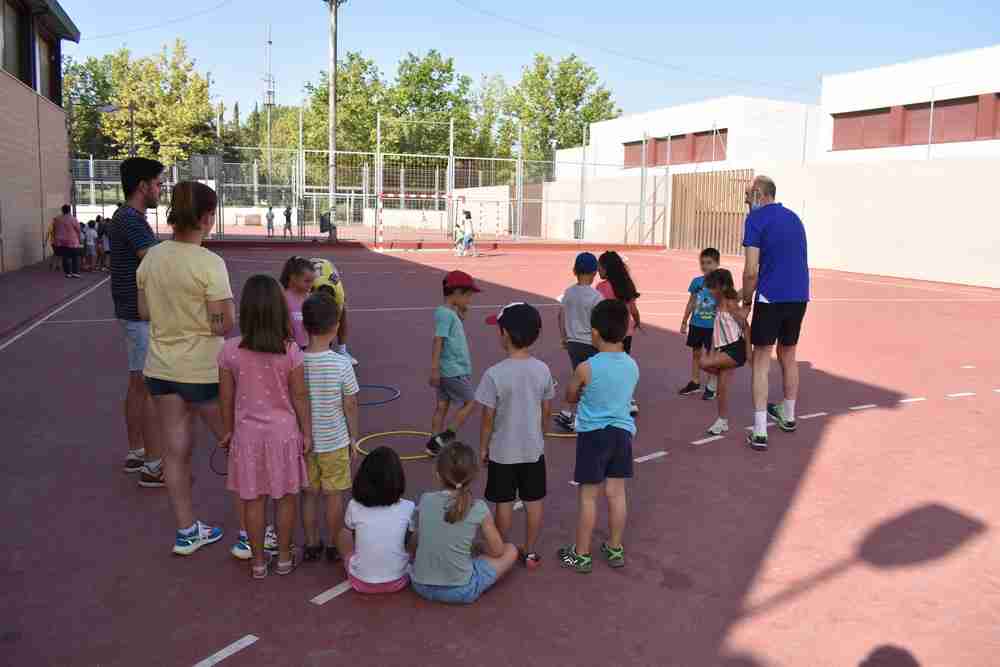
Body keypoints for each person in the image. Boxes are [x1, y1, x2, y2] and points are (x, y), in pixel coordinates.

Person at [136, 181, 236, 553]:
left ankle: (186, 530)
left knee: (174, 451)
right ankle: (251, 530)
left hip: (161, 367)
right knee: (235, 446)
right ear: (207, 217)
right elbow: (224, 323)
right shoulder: (209, 263)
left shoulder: (152, 259)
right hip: (203, 370)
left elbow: (145, 312)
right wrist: (204, 321)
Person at [218, 274, 312, 578]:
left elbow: (226, 398)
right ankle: (284, 557)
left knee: (252, 499)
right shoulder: (291, 351)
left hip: (247, 436)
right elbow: (299, 395)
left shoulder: (229, 351)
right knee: (285, 499)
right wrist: (306, 431)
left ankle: (258, 562)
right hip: (283, 435)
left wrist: (227, 430)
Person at [559, 299, 639, 574]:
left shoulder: (586, 367)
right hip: (622, 435)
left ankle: (580, 554)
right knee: (617, 494)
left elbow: (570, 395)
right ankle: (615, 548)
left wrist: (579, 391)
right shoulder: (632, 365)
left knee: (588, 497)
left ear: (594, 332)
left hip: (593, 436)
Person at [477, 302, 554, 568]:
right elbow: (546, 410)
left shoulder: (494, 374)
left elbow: (487, 419)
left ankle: (500, 549)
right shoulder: (543, 370)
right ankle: (530, 551)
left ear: (506, 334)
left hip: (503, 450)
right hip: (533, 449)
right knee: (534, 501)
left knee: (504, 502)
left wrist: (483, 448)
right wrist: (540, 437)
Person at [741, 175, 810, 452]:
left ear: (759, 194)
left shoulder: (755, 221)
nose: (746, 200)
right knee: (788, 354)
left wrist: (746, 302)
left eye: (748, 195)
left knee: (760, 359)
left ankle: (759, 431)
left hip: (771, 297)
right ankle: (789, 414)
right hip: (799, 295)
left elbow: (750, 270)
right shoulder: (794, 218)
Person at [109, 158, 165, 482]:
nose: (160, 190)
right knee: (148, 387)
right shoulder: (131, 219)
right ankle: (152, 465)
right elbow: (154, 261)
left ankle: (136, 451)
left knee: (137, 384)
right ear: (143, 186)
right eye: (157, 183)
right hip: (139, 314)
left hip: (133, 313)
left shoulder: (129, 218)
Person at [411, 442, 518, 604]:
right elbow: (497, 551)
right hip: (460, 590)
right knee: (510, 550)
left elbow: (416, 541)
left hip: (420, 585)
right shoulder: (478, 507)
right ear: (473, 476)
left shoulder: (426, 500)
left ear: (438, 475)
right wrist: (482, 547)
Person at [300, 291, 360, 563]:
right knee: (333, 495)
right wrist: (354, 437)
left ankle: (312, 543)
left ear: (305, 325)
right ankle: (336, 544)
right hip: (334, 440)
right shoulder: (342, 363)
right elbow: (350, 405)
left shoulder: (296, 361)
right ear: (336, 326)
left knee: (309, 494)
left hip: (305, 442)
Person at [334, 446, 415, 594]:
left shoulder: (354, 505)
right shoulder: (408, 507)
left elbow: (349, 532)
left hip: (359, 582)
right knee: (413, 533)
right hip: (399, 580)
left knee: (343, 533)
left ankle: (359, 562)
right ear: (397, 478)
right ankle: (399, 561)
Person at [427, 271, 481, 456]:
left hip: (448, 369)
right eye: (468, 296)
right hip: (452, 370)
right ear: (456, 293)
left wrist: (462, 311)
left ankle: (433, 442)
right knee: (471, 401)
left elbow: (454, 327)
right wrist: (434, 368)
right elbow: (438, 339)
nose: (470, 300)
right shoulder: (446, 315)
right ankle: (447, 436)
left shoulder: (449, 313)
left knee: (442, 405)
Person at [554, 252, 603, 431]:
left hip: (573, 343)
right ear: (594, 273)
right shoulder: (596, 297)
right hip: (590, 343)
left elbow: (560, 315)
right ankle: (583, 416)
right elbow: (599, 322)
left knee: (578, 376)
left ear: (575, 270)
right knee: (590, 381)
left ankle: (568, 413)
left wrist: (564, 337)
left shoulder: (568, 292)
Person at [698, 269, 749, 436]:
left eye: (712, 287)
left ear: (723, 287)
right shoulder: (717, 303)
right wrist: (713, 349)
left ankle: (714, 377)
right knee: (722, 390)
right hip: (724, 348)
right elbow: (717, 331)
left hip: (736, 348)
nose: (710, 291)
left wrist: (749, 352)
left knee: (703, 362)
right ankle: (722, 421)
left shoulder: (730, 303)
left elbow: (745, 325)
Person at [596, 251, 641, 415]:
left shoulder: (602, 287)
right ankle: (629, 399)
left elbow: (598, 310)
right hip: (625, 332)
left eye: (599, 267)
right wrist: (637, 321)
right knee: (623, 364)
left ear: (606, 268)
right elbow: (634, 310)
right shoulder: (627, 285)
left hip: (609, 332)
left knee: (607, 365)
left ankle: (610, 399)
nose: (597, 270)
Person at [679, 248, 722, 399]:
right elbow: (691, 302)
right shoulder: (697, 282)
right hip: (696, 324)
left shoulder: (721, 283)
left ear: (717, 264)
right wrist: (685, 320)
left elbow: (726, 303)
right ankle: (695, 381)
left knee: (711, 357)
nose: (705, 266)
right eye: (702, 263)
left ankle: (712, 385)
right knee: (696, 353)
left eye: (709, 263)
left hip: (713, 326)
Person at [311, 258, 357, 365]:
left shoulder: (339, 294)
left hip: (328, 270)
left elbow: (336, 322)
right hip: (313, 269)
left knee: (342, 313)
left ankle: (342, 351)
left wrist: (327, 343)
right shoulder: (309, 289)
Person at [280, 256, 317, 349]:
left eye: (313, 281)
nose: (311, 284)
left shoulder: (310, 297)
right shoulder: (284, 298)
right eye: (307, 281)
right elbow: (284, 324)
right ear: (293, 277)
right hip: (291, 347)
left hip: (309, 346)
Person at [52, 205, 82, 278]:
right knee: (75, 257)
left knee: (65, 257)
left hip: (61, 241)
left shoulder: (57, 219)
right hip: (72, 241)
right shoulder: (73, 219)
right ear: (69, 210)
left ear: (62, 210)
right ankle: (75, 272)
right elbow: (78, 229)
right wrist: (79, 239)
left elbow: (54, 229)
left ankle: (68, 273)